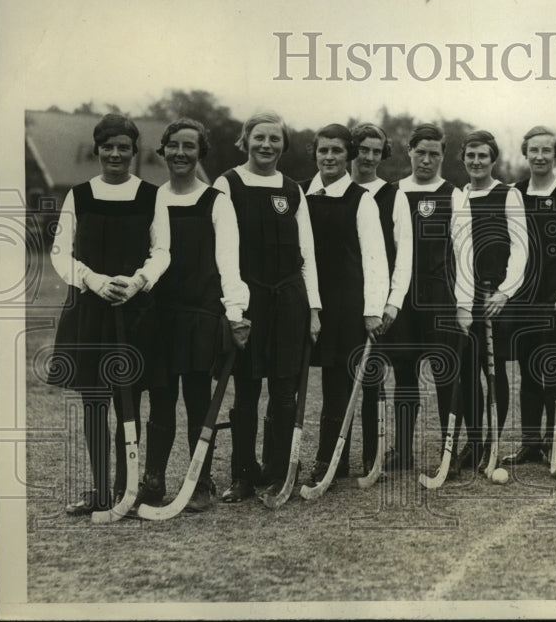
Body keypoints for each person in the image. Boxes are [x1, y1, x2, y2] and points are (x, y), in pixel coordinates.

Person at [49, 113, 170, 515]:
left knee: (128, 403)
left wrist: (137, 282)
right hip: (89, 311)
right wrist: (92, 280)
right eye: (108, 147)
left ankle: (126, 491)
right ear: (97, 150)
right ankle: (100, 492)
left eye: (123, 147)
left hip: (134, 313)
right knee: (95, 403)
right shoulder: (79, 195)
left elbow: (162, 251)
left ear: (134, 151)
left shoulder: (152, 195)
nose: (115, 154)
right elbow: (60, 252)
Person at [213, 111, 321, 502]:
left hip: (289, 298)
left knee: (284, 390)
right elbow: (223, 252)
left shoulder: (292, 189)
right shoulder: (228, 184)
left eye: (275, 139)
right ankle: (242, 474)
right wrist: (234, 310)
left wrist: (313, 309)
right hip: (249, 297)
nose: (266, 145)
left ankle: (277, 471)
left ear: (284, 145)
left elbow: (305, 253)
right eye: (259, 137)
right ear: (245, 140)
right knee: (246, 389)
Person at [149, 118, 251, 511]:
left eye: (189, 146)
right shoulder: (153, 199)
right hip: (160, 315)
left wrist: (235, 312)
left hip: (200, 314)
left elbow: (228, 260)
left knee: (197, 401)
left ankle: (200, 482)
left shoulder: (216, 201)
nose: (180, 153)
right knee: (160, 401)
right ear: (163, 150)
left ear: (200, 153)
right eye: (173, 145)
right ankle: (153, 480)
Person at [301, 124, 387, 485]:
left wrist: (372, 311)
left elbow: (374, 258)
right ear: (315, 153)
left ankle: (329, 462)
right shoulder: (302, 194)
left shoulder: (361, 199)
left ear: (348, 155)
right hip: (310, 300)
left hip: (348, 302)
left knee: (339, 383)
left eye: (337, 151)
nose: (330, 157)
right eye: (323, 150)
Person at [387, 124, 472, 473]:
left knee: (444, 374)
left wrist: (463, 304)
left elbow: (465, 255)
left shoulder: (453, 194)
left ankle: (449, 452)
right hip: (403, 295)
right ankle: (402, 451)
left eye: (434, 154)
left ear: (442, 156)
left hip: (439, 295)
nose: (426, 160)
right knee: (404, 375)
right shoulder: (393, 192)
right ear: (409, 151)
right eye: (420, 152)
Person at [502, 126, 556, 468]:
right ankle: (530, 444)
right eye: (533, 150)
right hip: (524, 293)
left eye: (546, 151)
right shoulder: (514, 192)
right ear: (525, 153)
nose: (539, 156)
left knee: (551, 371)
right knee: (526, 370)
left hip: (554, 294)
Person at [455, 130, 528, 473]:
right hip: (465, 296)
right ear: (463, 159)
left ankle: (495, 443)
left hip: (497, 296)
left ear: (493, 159)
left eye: (482, 156)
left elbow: (521, 248)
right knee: (467, 372)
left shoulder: (508, 194)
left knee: (493, 369)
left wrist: (505, 291)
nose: (476, 162)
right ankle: (475, 442)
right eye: (471, 156)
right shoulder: (459, 196)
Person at [349, 123, 413, 474]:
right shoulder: (335, 190)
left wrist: (392, 302)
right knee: (346, 380)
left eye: (376, 151)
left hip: (385, 305)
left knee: (388, 378)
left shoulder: (393, 194)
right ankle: (339, 458)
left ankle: (385, 455)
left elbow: (404, 255)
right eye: (363, 149)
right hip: (347, 303)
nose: (370, 158)